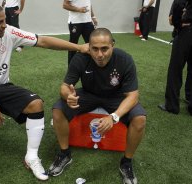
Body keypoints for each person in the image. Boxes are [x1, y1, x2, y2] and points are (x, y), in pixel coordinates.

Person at [0, 1, 89, 183]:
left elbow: (43, 41)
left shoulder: (8, 33)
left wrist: (79, 48)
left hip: (2, 87)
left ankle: (31, 157)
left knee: (36, 104)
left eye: (4, 20)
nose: (4, 25)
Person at [47, 28, 146, 184]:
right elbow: (65, 86)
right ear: (89, 47)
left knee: (140, 119)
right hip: (88, 94)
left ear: (112, 45)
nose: (100, 54)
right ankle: (65, 154)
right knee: (58, 110)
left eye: (104, 48)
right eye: (95, 49)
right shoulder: (80, 58)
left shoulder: (125, 59)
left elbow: (133, 96)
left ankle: (126, 162)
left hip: (116, 96)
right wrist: (69, 96)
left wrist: (114, 117)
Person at [158, 0, 192, 117]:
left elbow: (179, 2)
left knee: (176, 68)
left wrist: (177, 23)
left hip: (189, 28)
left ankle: (172, 106)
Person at [63, 0, 97, 65]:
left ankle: (92, 66)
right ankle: (71, 68)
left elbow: (89, 4)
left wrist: (93, 17)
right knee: (72, 45)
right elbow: (65, 5)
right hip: (75, 22)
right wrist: (79, 9)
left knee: (92, 44)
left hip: (88, 21)